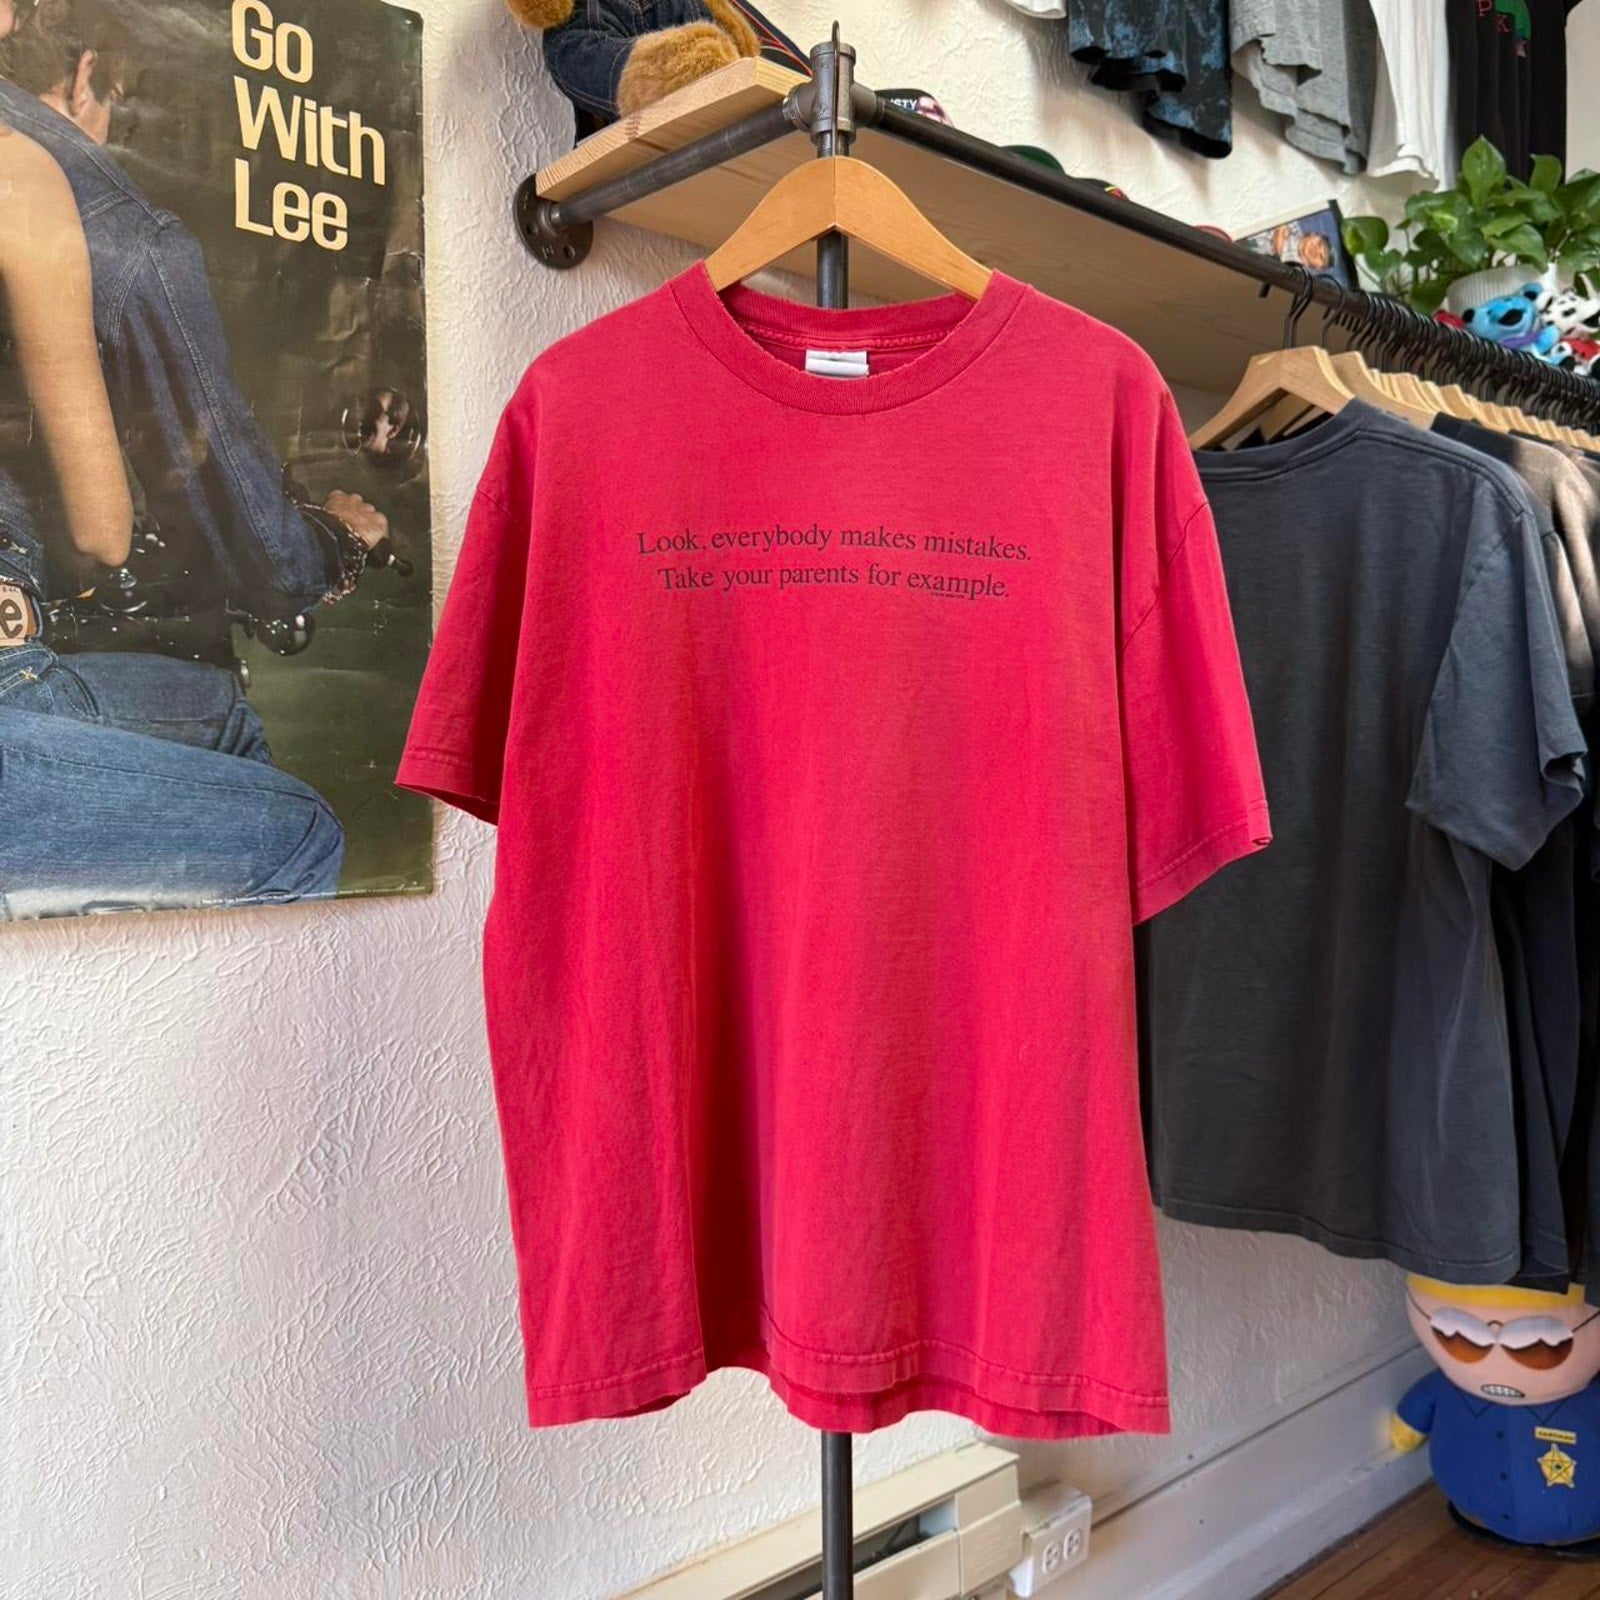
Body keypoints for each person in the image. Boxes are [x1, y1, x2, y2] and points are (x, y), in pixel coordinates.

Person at [0, 6, 343, 916]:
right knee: (304, 832)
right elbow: (104, 534)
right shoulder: (29, 178)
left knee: (215, 713)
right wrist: (327, 545)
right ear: (87, 76)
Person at [0, 0, 390, 627]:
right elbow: (263, 565)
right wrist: (332, 540)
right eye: (119, 102)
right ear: (86, 74)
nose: (114, 133)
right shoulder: (126, 234)